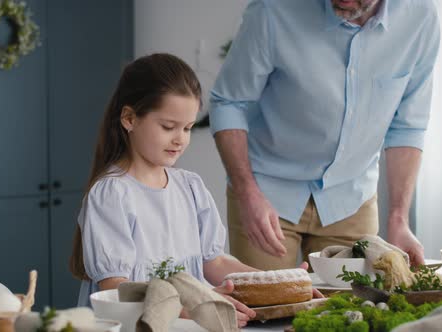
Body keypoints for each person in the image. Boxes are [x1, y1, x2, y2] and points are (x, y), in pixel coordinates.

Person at [69, 53, 322, 328]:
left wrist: (278, 286)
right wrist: (187, 307)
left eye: (188, 128)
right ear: (129, 119)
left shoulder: (190, 186)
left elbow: (213, 263)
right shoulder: (111, 194)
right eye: (168, 127)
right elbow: (117, 287)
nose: (180, 139)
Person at [210, 0, 440, 270]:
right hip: (267, 192)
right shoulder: (271, 11)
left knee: (352, 309)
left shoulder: (419, 17)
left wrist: (399, 218)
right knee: (264, 308)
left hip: (351, 197)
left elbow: (407, 126)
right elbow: (228, 103)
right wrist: (247, 193)